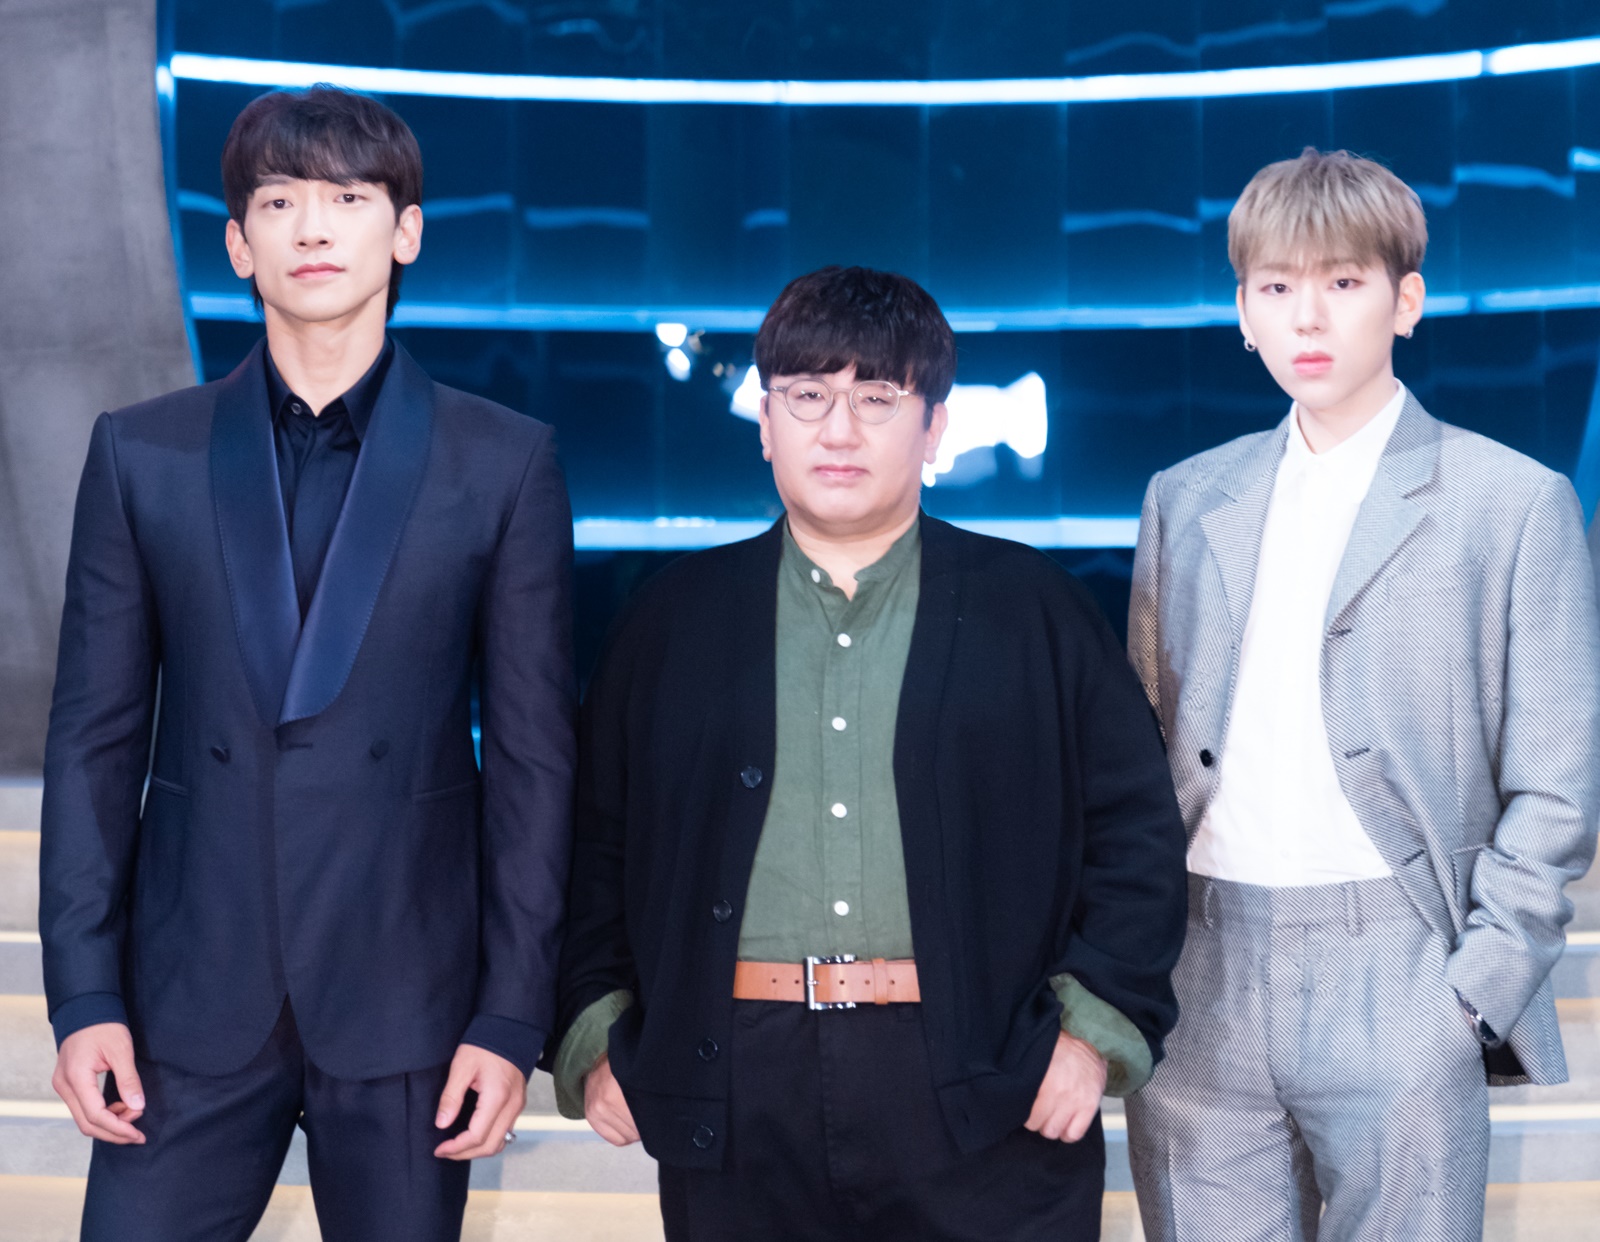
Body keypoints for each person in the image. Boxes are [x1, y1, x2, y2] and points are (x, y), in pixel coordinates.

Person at [551, 265, 1189, 1241]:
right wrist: (597, 1035)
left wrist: (1090, 1034)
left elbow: (1136, 838)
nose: (838, 431)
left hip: (988, 1081)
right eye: (807, 397)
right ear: (765, 423)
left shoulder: (1038, 613)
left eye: (877, 398)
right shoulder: (669, 622)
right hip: (739, 1091)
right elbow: (593, 847)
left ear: (934, 429)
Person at [39, 86, 575, 1241]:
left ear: (406, 230)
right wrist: (82, 995)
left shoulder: (502, 463)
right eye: (279, 202)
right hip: (186, 998)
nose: (313, 228)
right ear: (239, 244)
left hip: (409, 998)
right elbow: (92, 743)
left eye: (347, 198)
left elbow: (532, 762)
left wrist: (510, 1014)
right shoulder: (144, 453)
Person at [1124, 147, 1600, 1242]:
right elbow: (1145, 750)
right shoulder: (1183, 500)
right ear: (1243, 313)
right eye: (1275, 286)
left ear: (1406, 301)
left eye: (1342, 282)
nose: (1307, 316)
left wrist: (1472, 991)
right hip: (1202, 966)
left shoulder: (1512, 503)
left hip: (1405, 963)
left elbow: (1559, 783)